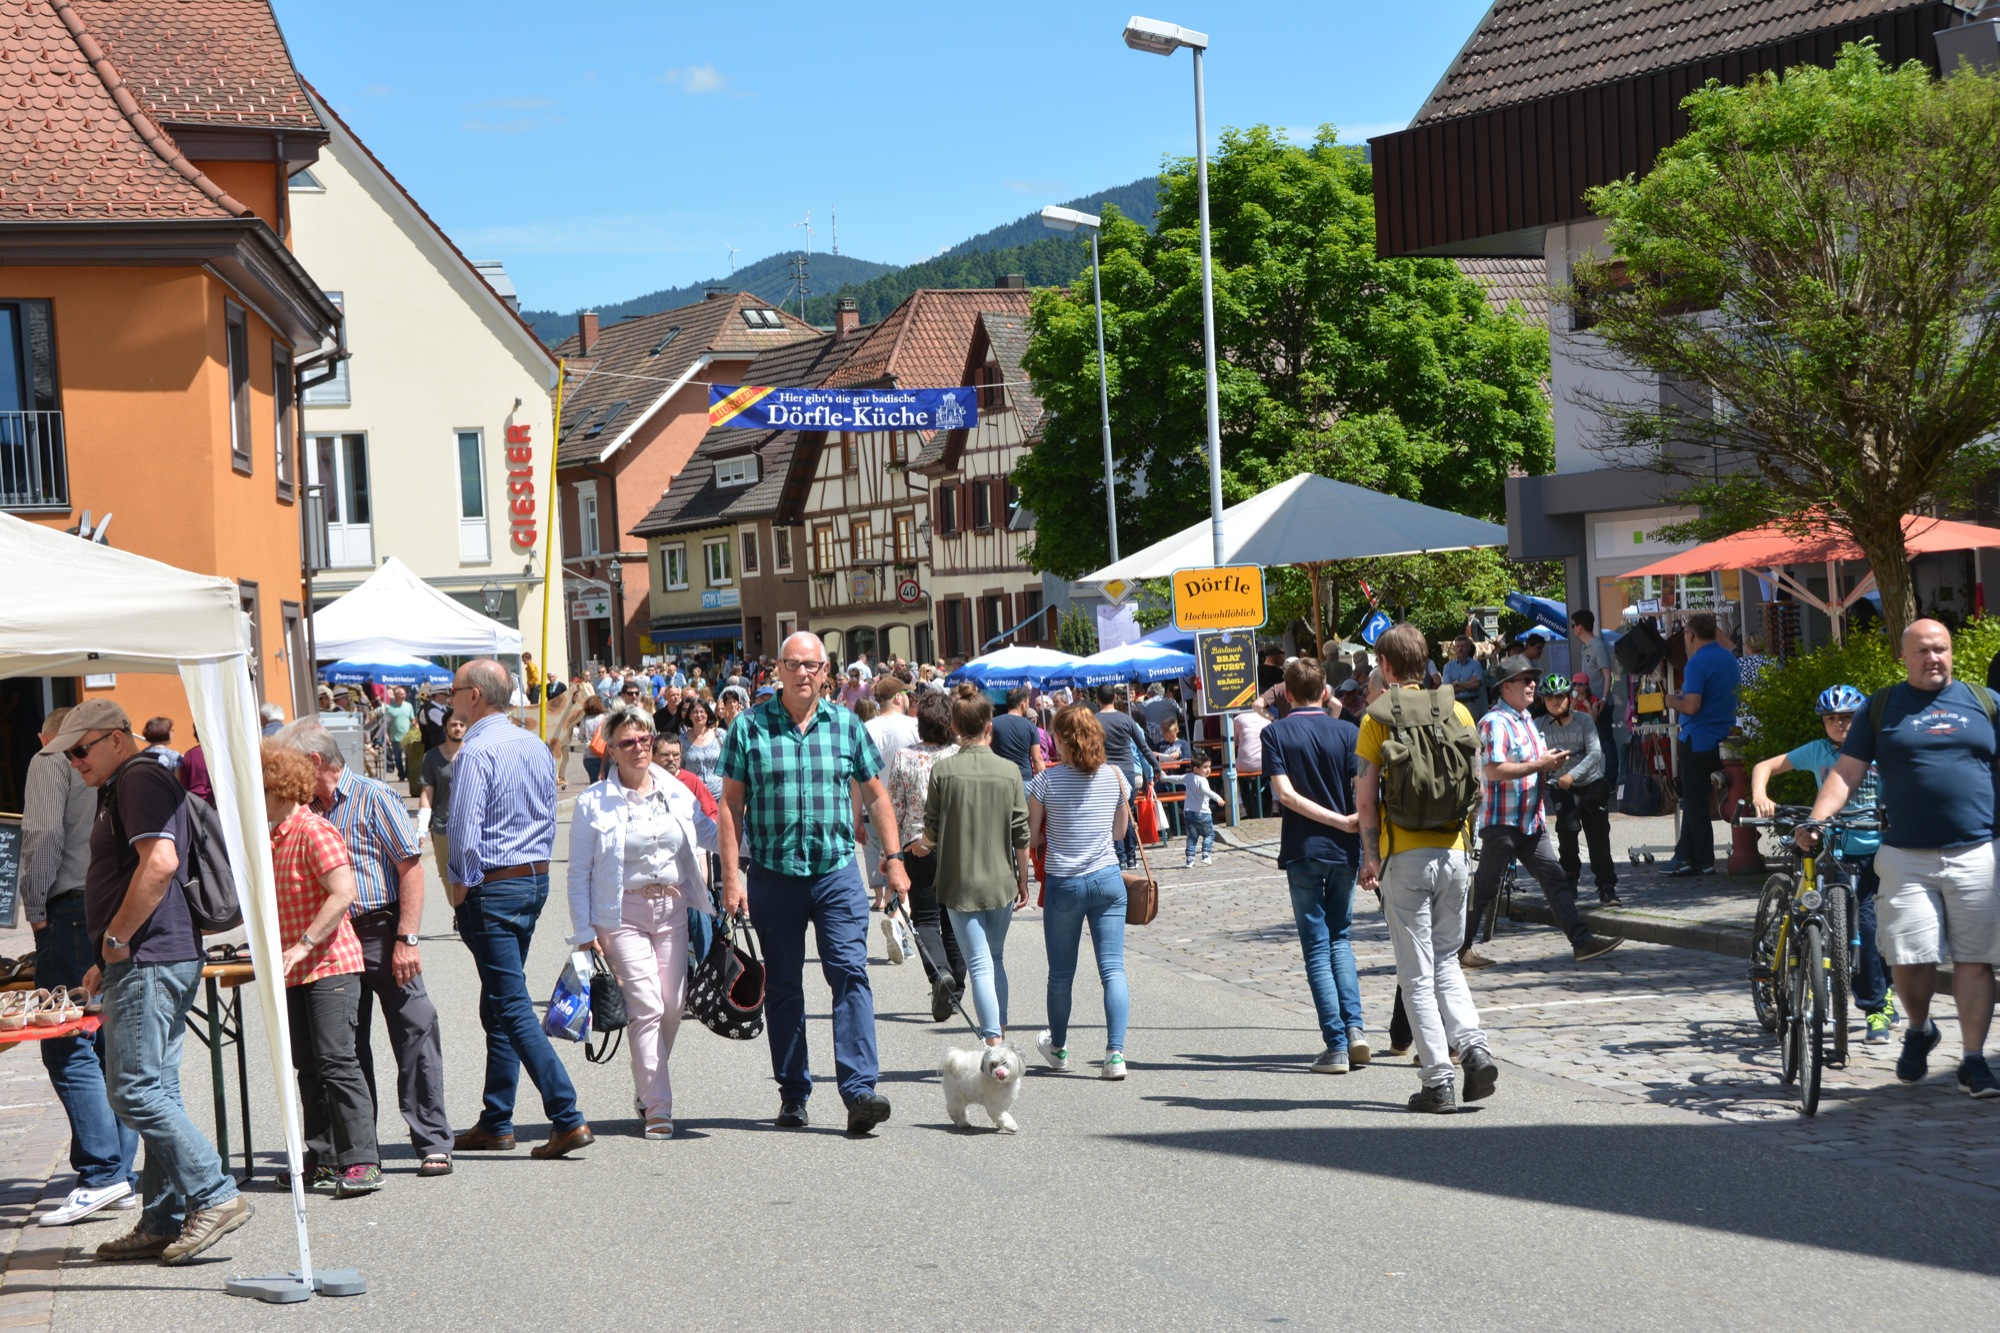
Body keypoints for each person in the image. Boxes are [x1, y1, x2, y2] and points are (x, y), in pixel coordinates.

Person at [49, 700, 250, 1264]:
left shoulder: (137, 779)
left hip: (150, 957)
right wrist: (107, 954)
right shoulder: (130, 782)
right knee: (157, 1088)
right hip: (150, 955)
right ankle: (162, 1219)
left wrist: (117, 940)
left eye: (80, 750)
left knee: (134, 1090)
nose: (74, 762)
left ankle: (214, 1193)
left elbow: (159, 863)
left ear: (116, 739)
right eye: (68, 755)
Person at [716, 631, 904, 1135]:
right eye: (793, 664)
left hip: (835, 872)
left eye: (812, 666)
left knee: (850, 974)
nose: (803, 673)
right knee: (782, 985)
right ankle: (794, 1092)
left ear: (826, 673)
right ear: (778, 670)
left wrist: (893, 859)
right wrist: (731, 877)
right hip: (774, 874)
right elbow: (730, 806)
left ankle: (859, 1091)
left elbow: (877, 795)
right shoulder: (748, 727)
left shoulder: (846, 725)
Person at [1807, 621, 1999, 1095]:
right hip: (1904, 854)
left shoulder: (1985, 703)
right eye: (1923, 651)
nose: (1934, 658)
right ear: (1904, 657)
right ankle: (1919, 1027)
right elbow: (1845, 773)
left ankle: (1973, 1060)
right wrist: (1817, 819)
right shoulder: (1881, 707)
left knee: (1976, 960)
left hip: (1978, 850)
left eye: (1942, 649)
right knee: (1910, 958)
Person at [274, 719, 453, 1178]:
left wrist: (407, 937)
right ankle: (352, 1151)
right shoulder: (305, 808)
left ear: (314, 761)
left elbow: (410, 868)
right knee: (340, 1048)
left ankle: (432, 1140)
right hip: (332, 939)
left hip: (379, 930)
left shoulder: (374, 796)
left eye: (291, 763)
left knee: (415, 1028)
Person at [447, 659, 594, 1158]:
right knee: (499, 1002)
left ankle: (566, 1114)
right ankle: (496, 1119)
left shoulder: (475, 751)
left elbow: (463, 833)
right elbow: (547, 816)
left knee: (509, 1004)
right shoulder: (532, 744)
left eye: (454, 690)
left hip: (494, 884)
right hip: (531, 877)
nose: (449, 699)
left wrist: (461, 887)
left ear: (474, 696)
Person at [1354, 623, 1496, 1113]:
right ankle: (1474, 1047)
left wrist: (1371, 856)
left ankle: (1438, 1082)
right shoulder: (1458, 709)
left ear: (1386, 666)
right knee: (1447, 960)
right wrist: (1464, 839)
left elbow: (1366, 801)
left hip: (1404, 855)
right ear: (1426, 663)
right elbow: (1478, 788)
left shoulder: (1377, 718)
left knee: (1415, 974)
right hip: (1454, 851)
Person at [567, 705, 716, 1140]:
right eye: (628, 742)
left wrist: (746, 833)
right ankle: (658, 1108)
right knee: (647, 1007)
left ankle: (647, 1084)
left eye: (645, 739)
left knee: (672, 1005)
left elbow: (707, 832)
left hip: (672, 910)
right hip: (620, 915)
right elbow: (578, 873)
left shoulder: (675, 790)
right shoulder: (593, 803)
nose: (639, 748)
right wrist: (583, 933)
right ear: (611, 751)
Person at [22, 706, 138, 1227]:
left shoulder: (48, 759)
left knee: (68, 1044)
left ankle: (102, 1175)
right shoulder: (125, 761)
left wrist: (35, 910)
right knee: (111, 1044)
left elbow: (42, 835)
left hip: (72, 909)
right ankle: (119, 1176)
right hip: (117, 908)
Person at [261, 743, 381, 1195]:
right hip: (294, 968)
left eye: (259, 789)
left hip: (329, 964)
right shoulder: (273, 837)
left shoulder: (313, 829)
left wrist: (304, 944)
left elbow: (343, 891)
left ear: (278, 787)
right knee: (309, 1067)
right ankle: (324, 1158)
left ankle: (362, 1159)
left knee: (337, 1062)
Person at [1751, 684, 1896, 1043]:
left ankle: (1886, 991)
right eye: (1831, 718)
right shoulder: (1818, 751)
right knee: (1858, 926)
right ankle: (1874, 1007)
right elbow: (1764, 766)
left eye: (1847, 717)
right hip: (1838, 852)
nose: (1839, 724)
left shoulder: (1879, 748)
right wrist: (1759, 795)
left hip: (1882, 850)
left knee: (1889, 928)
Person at [1464, 657, 1623, 967]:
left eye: (1532, 679)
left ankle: (1582, 942)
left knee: (1555, 880)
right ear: (1506, 687)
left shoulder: (1526, 719)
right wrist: (1541, 764)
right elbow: (1494, 770)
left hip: (1530, 822)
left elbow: (1532, 762)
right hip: (1504, 821)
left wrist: (1550, 760)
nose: (1532, 684)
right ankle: (1459, 948)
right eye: (1525, 680)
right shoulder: (1495, 721)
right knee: (1484, 887)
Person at [1264, 656, 1368, 1073]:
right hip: (1345, 850)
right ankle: (1356, 1030)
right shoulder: (1347, 731)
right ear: (1325, 692)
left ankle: (1336, 1045)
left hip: (1304, 849)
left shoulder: (1276, 733)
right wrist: (1356, 834)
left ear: (1287, 694)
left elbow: (1286, 796)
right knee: (1340, 939)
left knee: (1316, 948)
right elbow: (1362, 794)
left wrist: (1335, 821)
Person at [916, 687, 1030, 1048]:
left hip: (960, 881)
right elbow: (1021, 833)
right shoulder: (1009, 770)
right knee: (995, 959)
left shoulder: (944, 770)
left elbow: (931, 830)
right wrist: (1023, 880)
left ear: (954, 726)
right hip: (1001, 880)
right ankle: (1000, 1036)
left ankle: (993, 1042)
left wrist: (918, 848)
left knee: (979, 963)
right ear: (988, 726)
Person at [1028, 706, 1133, 1079]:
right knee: (1113, 969)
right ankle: (1115, 1055)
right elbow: (1120, 832)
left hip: (1065, 882)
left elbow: (1033, 837)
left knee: (1060, 974)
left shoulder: (1045, 782)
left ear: (1060, 740)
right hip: (1107, 878)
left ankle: (1058, 1048)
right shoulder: (1115, 776)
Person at [885, 690, 965, 1020]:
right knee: (954, 920)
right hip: (958, 845)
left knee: (927, 918)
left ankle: (939, 974)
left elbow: (896, 808)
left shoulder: (905, 757)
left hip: (918, 846)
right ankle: (956, 990)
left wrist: (891, 853)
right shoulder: (960, 755)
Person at [1536, 675, 1620, 907]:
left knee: (1597, 835)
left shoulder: (1583, 720)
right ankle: (1569, 879)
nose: (1555, 701)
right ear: (1543, 701)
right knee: (1567, 831)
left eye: (1560, 697)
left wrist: (1572, 775)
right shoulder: (1539, 724)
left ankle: (1606, 886)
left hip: (1591, 784)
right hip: (1561, 787)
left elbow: (1595, 753)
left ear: (1568, 697)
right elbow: (1530, 750)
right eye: (1550, 698)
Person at [1663, 612, 1737, 877]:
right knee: (1697, 800)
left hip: (1698, 738)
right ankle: (1684, 855)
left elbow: (1692, 706)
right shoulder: (1729, 658)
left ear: (1690, 636)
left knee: (1694, 802)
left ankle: (1703, 860)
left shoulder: (1696, 663)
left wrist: (1672, 701)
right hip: (1724, 737)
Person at [1094, 684, 1151, 869]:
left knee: (1112, 815)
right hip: (1127, 771)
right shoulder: (1127, 719)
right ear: (1115, 698)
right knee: (1128, 812)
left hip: (1105, 771)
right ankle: (1131, 856)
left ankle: (1120, 857)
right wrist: (1156, 768)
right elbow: (1143, 747)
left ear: (1098, 699)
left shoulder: (1094, 721)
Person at [419, 713, 467, 906]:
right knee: (445, 873)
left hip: (470, 825)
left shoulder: (474, 754)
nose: (458, 728)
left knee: (470, 871)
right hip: (442, 826)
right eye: (453, 724)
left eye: (461, 724)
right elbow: (427, 793)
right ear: (445, 727)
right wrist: (421, 828)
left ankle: (467, 911)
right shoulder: (432, 757)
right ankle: (458, 909)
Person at [1571, 609, 1620, 791]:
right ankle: (1593, 777)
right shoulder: (1585, 647)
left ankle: (1611, 780)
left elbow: (1607, 674)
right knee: (1590, 743)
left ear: (1580, 627)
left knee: (1605, 742)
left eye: (1573, 625)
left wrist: (1604, 698)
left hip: (1599, 703)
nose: (1572, 629)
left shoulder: (1597, 646)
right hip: (1588, 702)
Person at [1175, 751, 1226, 868]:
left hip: (1188, 812)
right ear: (1196, 769)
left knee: (1192, 837)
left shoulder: (1188, 777)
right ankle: (1206, 855)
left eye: (1209, 767)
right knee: (1209, 835)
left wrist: (1163, 777)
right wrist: (1218, 798)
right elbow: (1206, 791)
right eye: (1205, 767)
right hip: (1202, 813)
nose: (1208, 770)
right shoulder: (1202, 780)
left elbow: (1177, 778)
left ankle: (1190, 859)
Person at [990, 687, 1043, 781]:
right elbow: (1037, 759)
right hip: (1024, 778)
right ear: (1023, 704)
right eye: (1028, 702)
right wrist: (1043, 784)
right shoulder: (1031, 727)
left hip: (1000, 778)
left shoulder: (993, 723)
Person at [679, 696, 723, 801]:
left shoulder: (720, 735)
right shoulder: (682, 740)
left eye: (702, 711)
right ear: (689, 716)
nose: (699, 715)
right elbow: (679, 769)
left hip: (719, 795)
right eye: (695, 712)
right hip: (693, 796)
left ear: (708, 714)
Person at [1443, 636, 1489, 719]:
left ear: (1468, 648)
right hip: (1455, 706)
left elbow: (1476, 684)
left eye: (1463, 646)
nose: (1460, 649)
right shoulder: (1448, 667)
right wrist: (1469, 684)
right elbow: (1447, 689)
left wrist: (1456, 683)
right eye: (1458, 646)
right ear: (1454, 648)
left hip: (1472, 705)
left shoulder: (1476, 665)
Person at [381, 686, 415, 783]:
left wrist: (414, 726)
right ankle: (401, 774)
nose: (404, 696)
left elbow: (412, 719)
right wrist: (386, 734)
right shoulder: (390, 708)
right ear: (395, 695)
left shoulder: (409, 706)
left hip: (407, 737)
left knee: (409, 758)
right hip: (395, 737)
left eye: (404, 694)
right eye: (401, 694)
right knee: (397, 758)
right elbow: (386, 724)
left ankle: (408, 774)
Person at [1140, 683, 1184, 750]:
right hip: (1172, 737)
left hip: (1153, 740)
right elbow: (1182, 715)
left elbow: (1141, 720)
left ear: (1151, 694)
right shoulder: (1171, 702)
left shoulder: (1144, 704)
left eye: (1148, 694)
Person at [578, 692, 608, 784]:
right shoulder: (605, 718)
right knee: (606, 782)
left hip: (589, 754)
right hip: (603, 753)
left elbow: (580, 737)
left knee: (594, 783)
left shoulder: (584, 720)